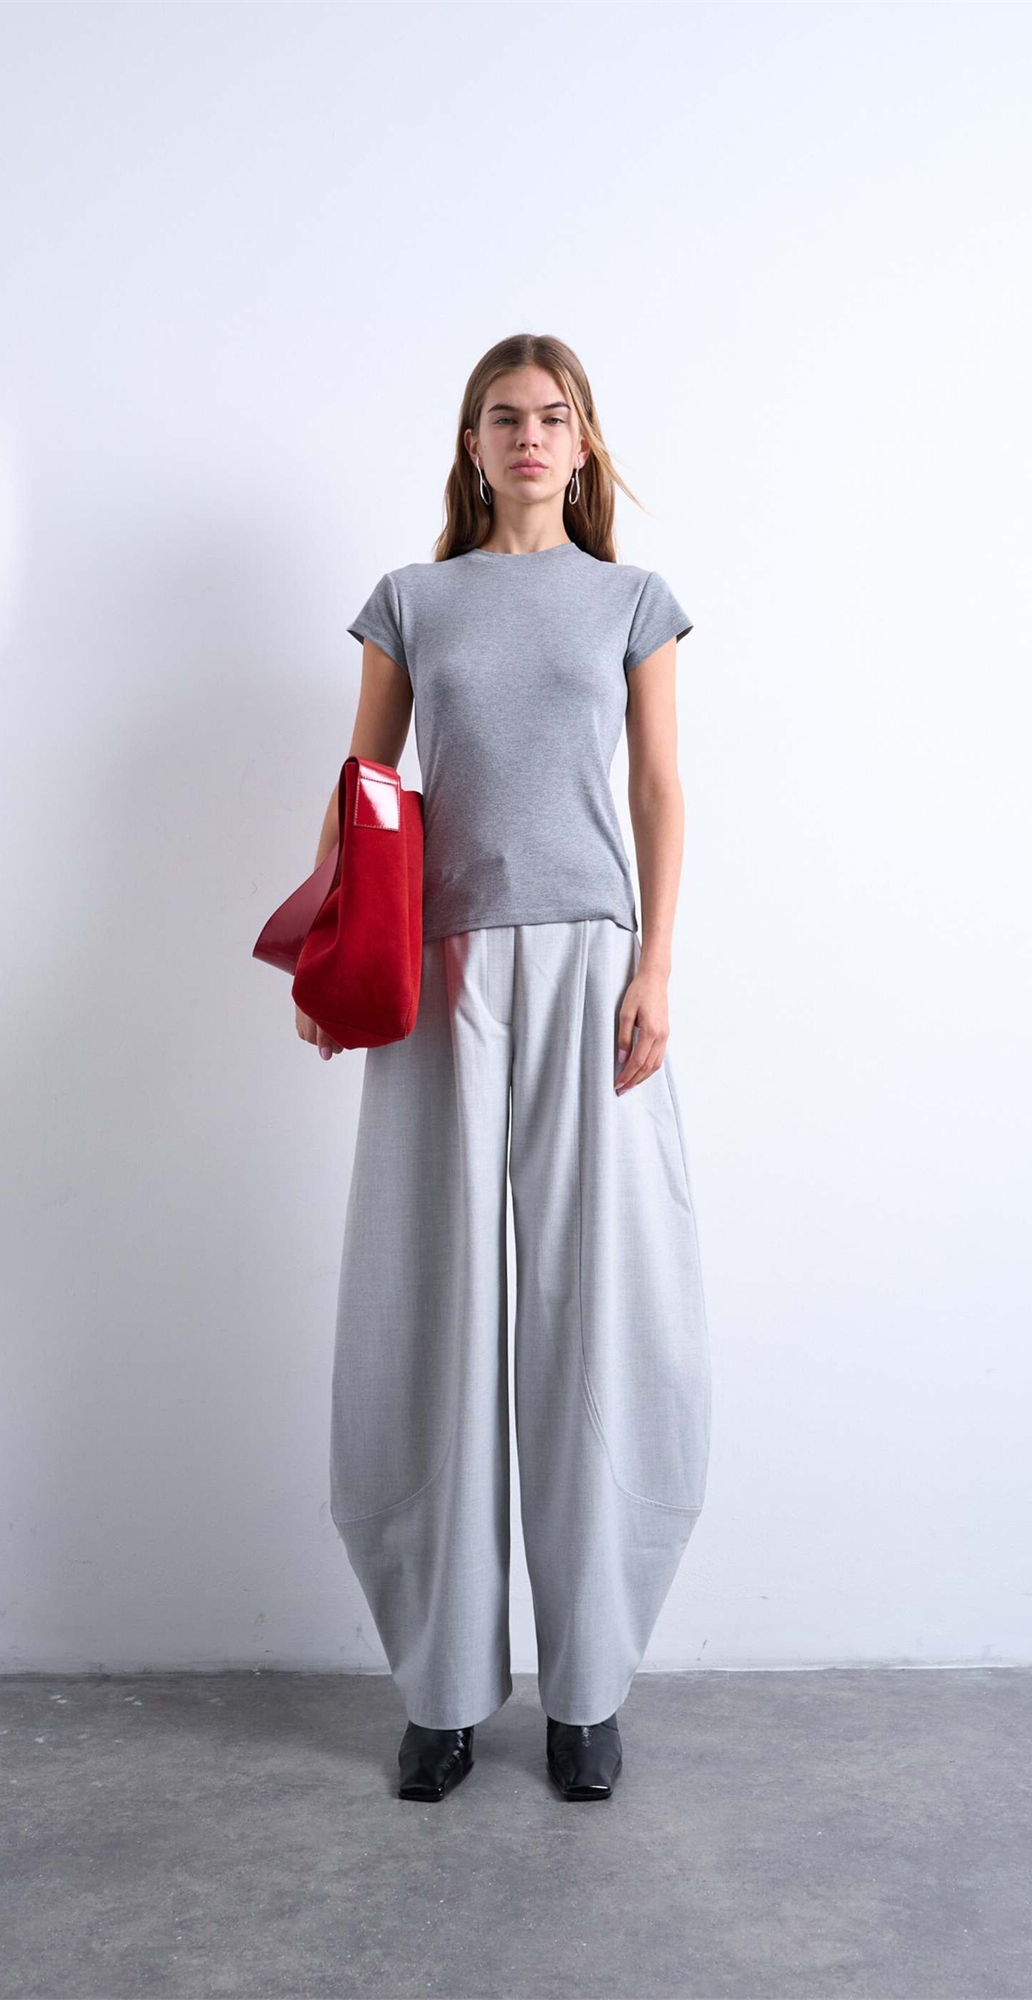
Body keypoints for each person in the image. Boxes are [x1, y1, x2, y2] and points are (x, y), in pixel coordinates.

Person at [296, 333, 712, 1804]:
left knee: (590, 1314)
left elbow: (658, 787)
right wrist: (331, 956)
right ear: (470, 445)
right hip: (443, 967)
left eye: (552, 416)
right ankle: (444, 1691)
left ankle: (586, 1693)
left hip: (593, 963)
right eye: (502, 417)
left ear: (583, 443)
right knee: (438, 1306)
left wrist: (657, 963)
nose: (528, 436)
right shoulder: (411, 602)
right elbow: (363, 792)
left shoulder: (631, 600)